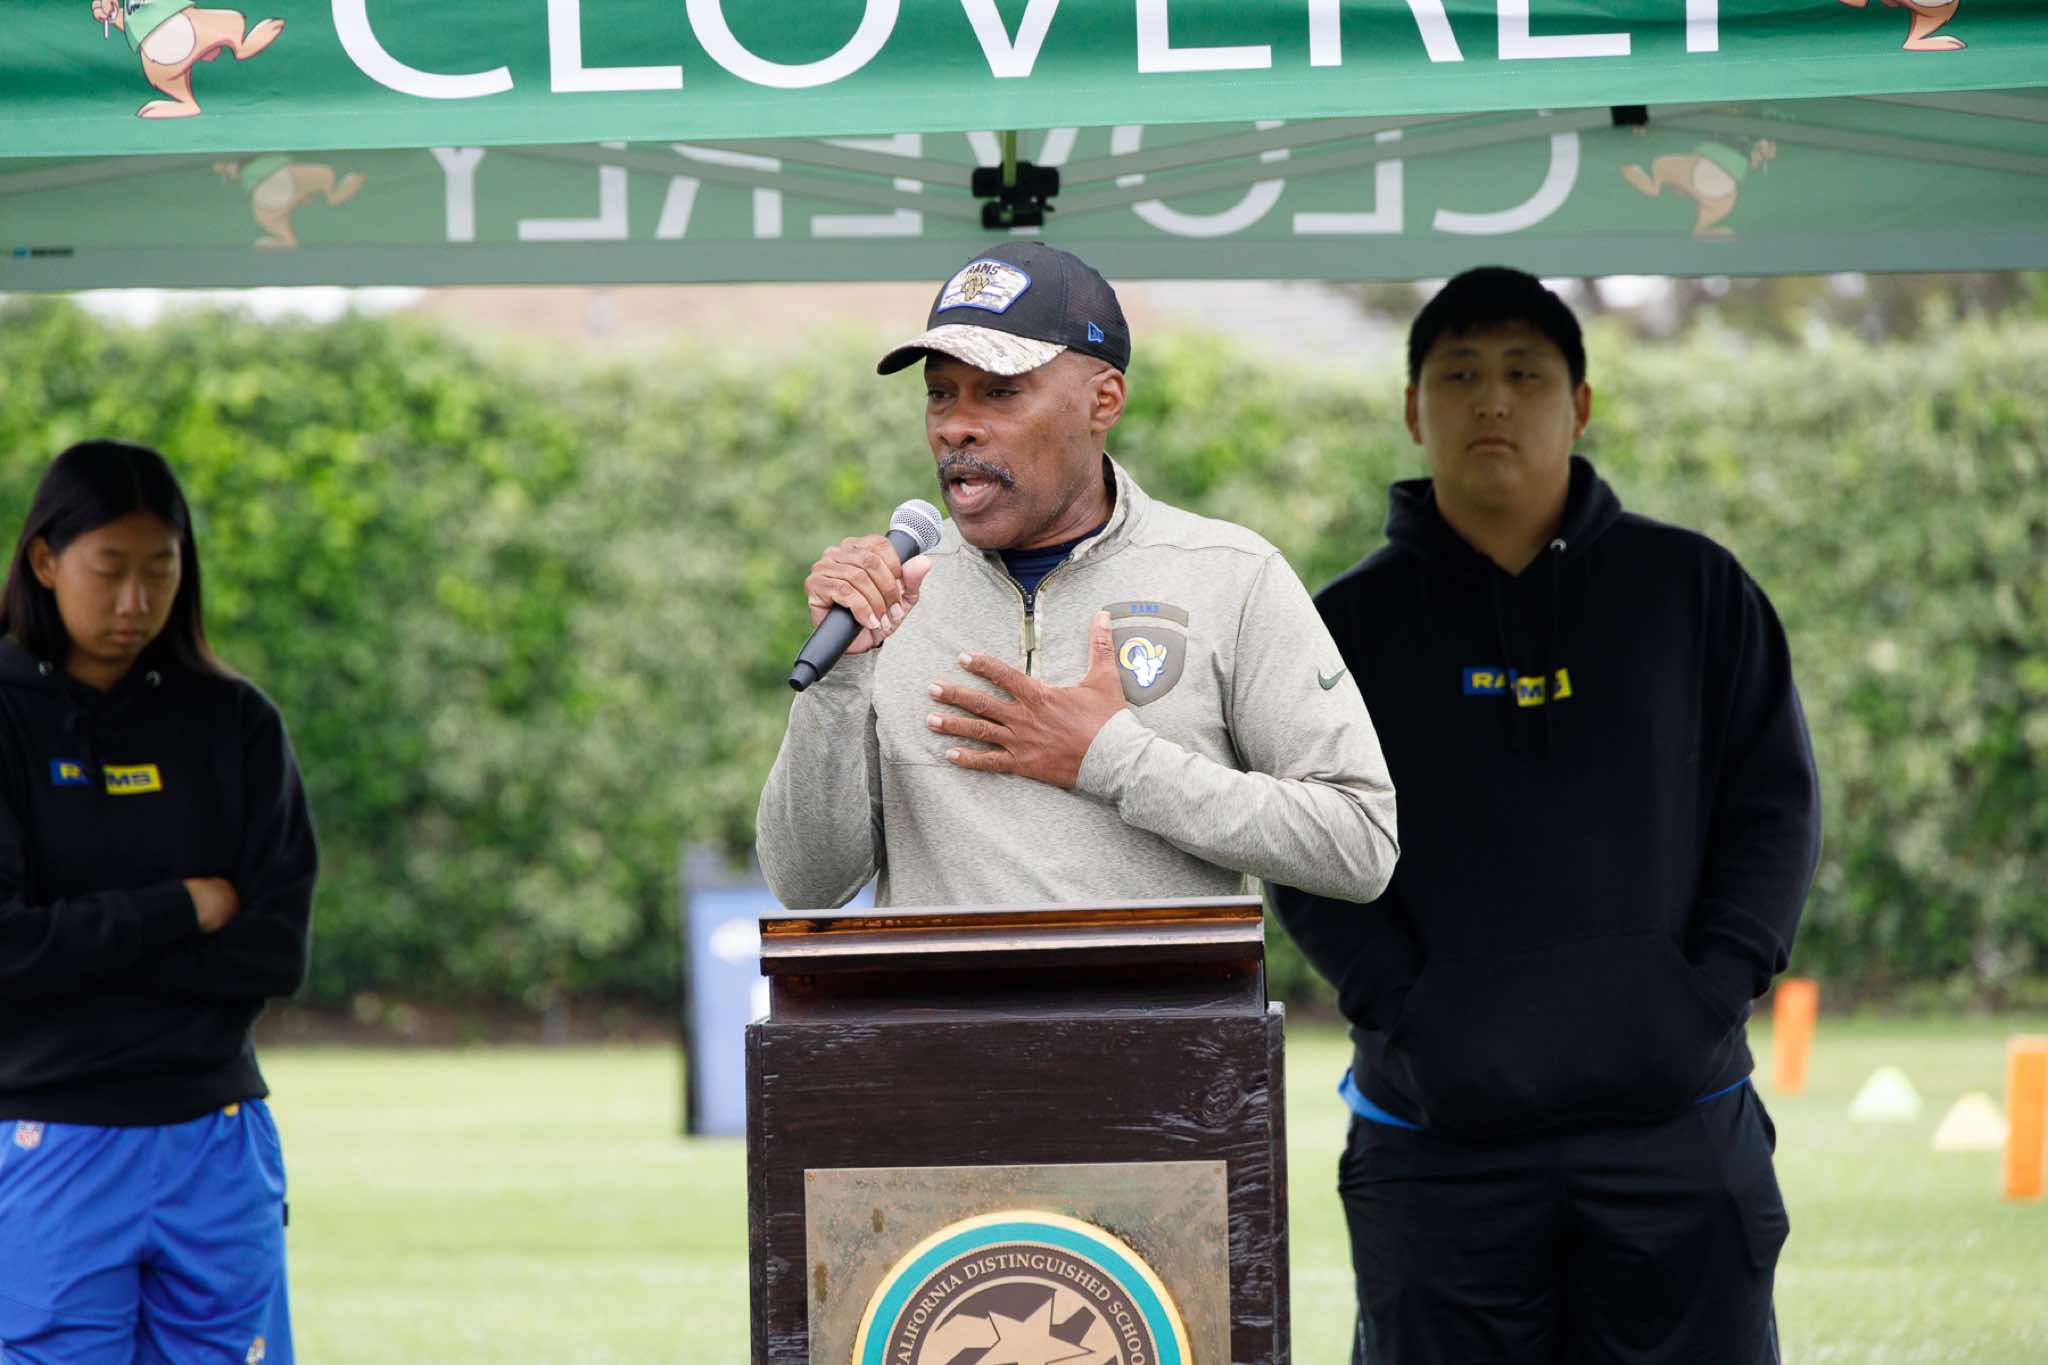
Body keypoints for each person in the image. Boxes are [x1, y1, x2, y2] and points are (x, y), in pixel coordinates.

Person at [1270, 266, 1822, 1365]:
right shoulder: (1342, 627)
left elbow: (1772, 812)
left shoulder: (1693, 590)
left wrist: (1706, 991)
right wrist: (1405, 1011)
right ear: (1411, 408)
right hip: (1435, 1138)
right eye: (1459, 374)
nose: (1492, 400)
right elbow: (1300, 844)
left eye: (1525, 373)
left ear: (1579, 404)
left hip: (1675, 1122)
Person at [757, 242, 1398, 909]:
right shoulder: (892, 597)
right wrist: (842, 678)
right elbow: (808, 884)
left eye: (1001, 392)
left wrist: (1111, 759)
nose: (958, 427)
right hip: (942, 986)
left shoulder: (1231, 575)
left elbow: (1360, 843)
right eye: (941, 394)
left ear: (1104, 401)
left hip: (1169, 986)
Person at [0, 440, 317, 1365]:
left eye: (160, 569)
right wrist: (183, 906)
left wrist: (77, 949)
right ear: (46, 560)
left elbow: (275, 951)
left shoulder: (238, 724)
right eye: (110, 570)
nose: (136, 600)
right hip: (48, 1139)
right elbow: (7, 952)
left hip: (216, 1137)